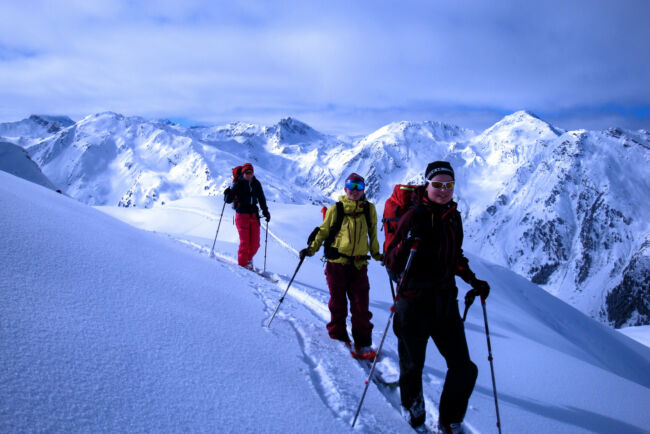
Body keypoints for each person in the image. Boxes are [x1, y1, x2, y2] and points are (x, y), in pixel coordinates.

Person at [385, 161, 490, 434]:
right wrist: (408, 241)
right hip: (413, 303)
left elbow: (454, 256)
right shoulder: (413, 216)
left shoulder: (453, 217)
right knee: (412, 365)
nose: (443, 190)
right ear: (427, 185)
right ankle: (413, 406)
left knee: (464, 368)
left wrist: (473, 280)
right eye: (438, 185)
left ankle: (448, 419)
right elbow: (392, 262)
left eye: (449, 185)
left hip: (445, 303)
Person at [299, 173, 383, 359]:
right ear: (345, 188)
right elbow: (323, 232)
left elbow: (373, 235)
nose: (354, 190)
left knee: (361, 306)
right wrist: (310, 250)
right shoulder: (335, 209)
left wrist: (377, 255)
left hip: (360, 265)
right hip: (337, 264)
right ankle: (338, 336)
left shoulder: (369, 210)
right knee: (338, 304)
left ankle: (363, 343)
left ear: (363, 189)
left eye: (359, 186)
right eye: (351, 185)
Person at [224, 163, 270, 269]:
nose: (249, 175)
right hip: (241, 215)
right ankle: (242, 265)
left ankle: (248, 260)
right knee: (245, 242)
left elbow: (261, 198)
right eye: (247, 173)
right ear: (243, 173)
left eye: (251, 173)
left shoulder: (256, 183)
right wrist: (227, 194)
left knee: (255, 244)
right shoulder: (238, 183)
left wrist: (265, 212)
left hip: (254, 215)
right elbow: (229, 200)